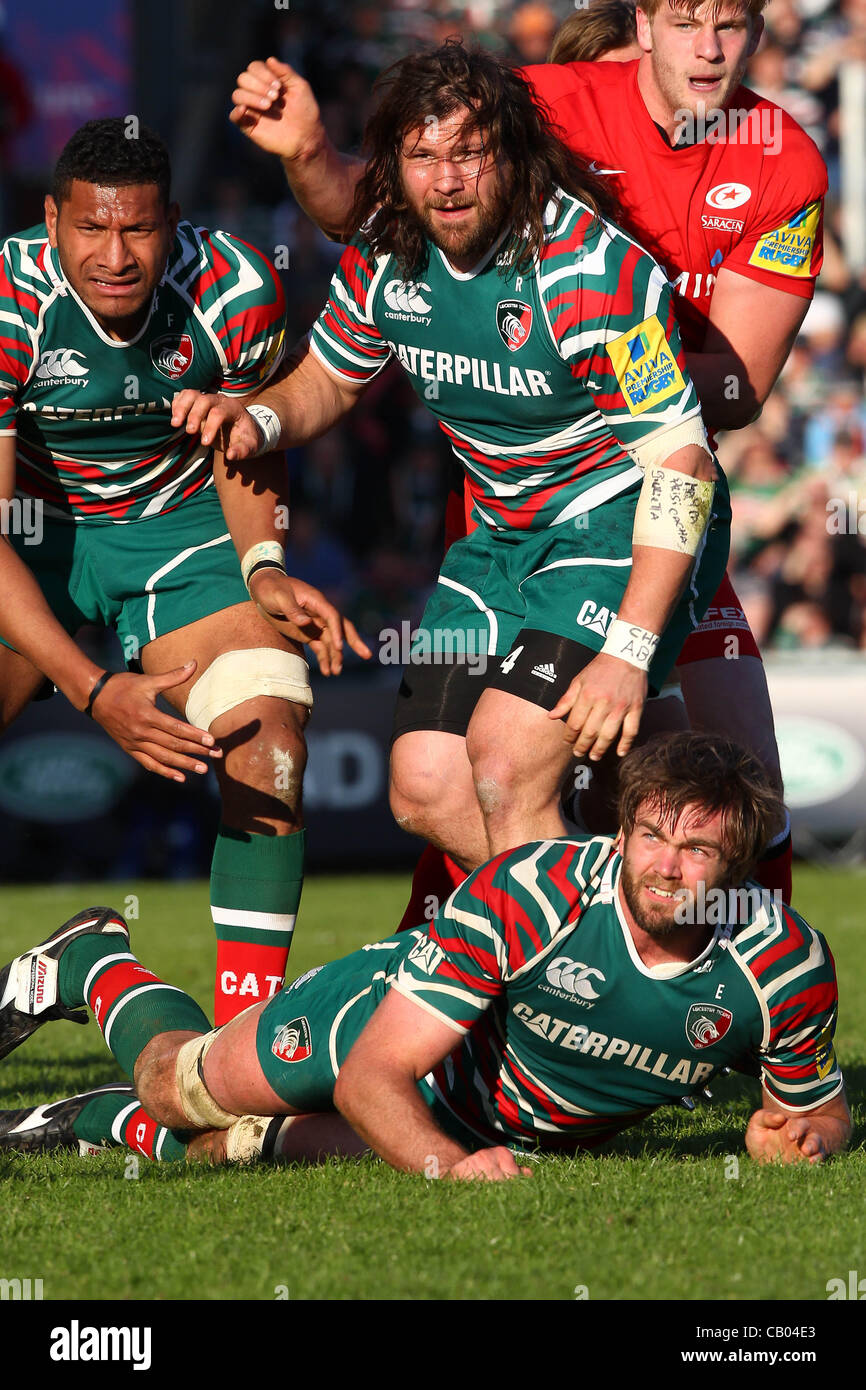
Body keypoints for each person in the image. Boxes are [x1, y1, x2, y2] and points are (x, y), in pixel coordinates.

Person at [228, 0, 828, 906]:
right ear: (642, 23)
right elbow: (353, 279)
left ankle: (733, 984)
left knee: (706, 769)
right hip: (504, 526)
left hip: (633, 508)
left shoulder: (630, 248)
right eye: (684, 20)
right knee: (435, 785)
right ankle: (590, 946)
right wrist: (310, 158)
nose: (708, 47)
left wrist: (612, 361)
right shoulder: (515, 119)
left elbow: (727, 405)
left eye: (731, 23)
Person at [0, 733, 849, 1175]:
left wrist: (809, 1140)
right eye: (652, 836)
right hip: (382, 1028)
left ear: (740, 865)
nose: (665, 866)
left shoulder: (783, 970)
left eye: (696, 851)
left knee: (231, 1158)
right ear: (620, 830)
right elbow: (374, 1076)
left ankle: (88, 1121)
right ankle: (91, 963)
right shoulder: (537, 892)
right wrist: (449, 1167)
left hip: (497, 1127)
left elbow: (817, 1108)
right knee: (180, 1090)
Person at [0, 118, 370, 1025]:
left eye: (138, 229)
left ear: (173, 220)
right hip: (30, 535)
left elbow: (248, 442)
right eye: (91, 229)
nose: (116, 254)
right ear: (52, 223)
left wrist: (265, 566)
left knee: (270, 751)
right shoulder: (6, 300)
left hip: (181, 529)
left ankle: (248, 1049)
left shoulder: (237, 286)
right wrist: (93, 691)